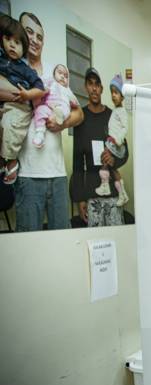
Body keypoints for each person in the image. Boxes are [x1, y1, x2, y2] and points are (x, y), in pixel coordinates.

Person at [12, 12, 84, 231]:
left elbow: (80, 113)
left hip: (58, 175)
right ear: (19, 35)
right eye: (29, 32)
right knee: (29, 244)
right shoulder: (13, 72)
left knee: (61, 241)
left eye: (39, 36)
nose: (34, 39)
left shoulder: (55, 75)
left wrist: (63, 123)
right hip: (28, 176)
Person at [70, 68, 128, 226]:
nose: (94, 88)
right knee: (95, 242)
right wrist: (80, 198)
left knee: (116, 239)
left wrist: (114, 159)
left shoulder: (113, 115)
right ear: (86, 87)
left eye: (97, 84)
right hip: (91, 193)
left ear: (102, 89)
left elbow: (125, 153)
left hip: (113, 192)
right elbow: (77, 163)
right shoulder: (80, 118)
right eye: (90, 84)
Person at [0, 15, 45, 184]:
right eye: (8, 39)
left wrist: (27, 95)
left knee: (10, 124)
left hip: (21, 106)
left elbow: (40, 88)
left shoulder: (24, 69)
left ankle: (10, 160)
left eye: (17, 42)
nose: (12, 44)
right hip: (6, 104)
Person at [95, 74, 128, 207]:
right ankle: (116, 191)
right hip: (111, 143)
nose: (114, 95)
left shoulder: (122, 112)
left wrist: (117, 140)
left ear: (123, 96)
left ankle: (117, 192)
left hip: (116, 144)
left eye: (117, 92)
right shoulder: (116, 110)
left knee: (108, 165)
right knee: (110, 167)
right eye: (112, 93)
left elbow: (125, 128)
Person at [32, 64, 79, 147]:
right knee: (40, 110)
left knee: (65, 110)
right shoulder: (51, 83)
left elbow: (74, 101)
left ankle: (60, 116)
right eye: (60, 73)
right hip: (49, 106)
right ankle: (40, 133)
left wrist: (73, 102)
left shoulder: (67, 89)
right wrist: (44, 90)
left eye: (66, 76)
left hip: (61, 106)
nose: (62, 77)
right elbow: (42, 90)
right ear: (54, 74)